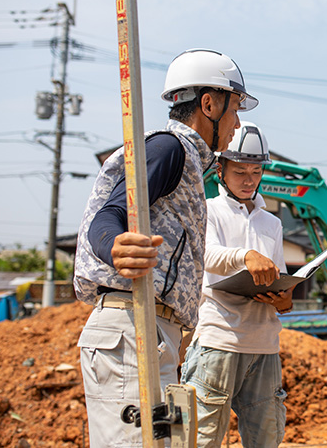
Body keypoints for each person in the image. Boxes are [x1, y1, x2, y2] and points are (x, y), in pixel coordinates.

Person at [74, 48, 256, 446]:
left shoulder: (190, 161)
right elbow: (110, 215)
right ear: (209, 104)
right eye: (235, 108)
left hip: (155, 332)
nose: (237, 122)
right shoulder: (168, 149)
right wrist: (116, 245)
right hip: (131, 328)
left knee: (162, 443)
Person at [180, 122, 292, 447]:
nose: (248, 180)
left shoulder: (272, 223)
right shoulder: (207, 211)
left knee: (267, 439)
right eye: (240, 170)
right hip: (219, 341)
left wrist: (283, 300)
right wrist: (246, 257)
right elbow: (207, 255)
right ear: (220, 169)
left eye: (255, 172)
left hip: (265, 346)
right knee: (202, 440)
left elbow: (278, 277)